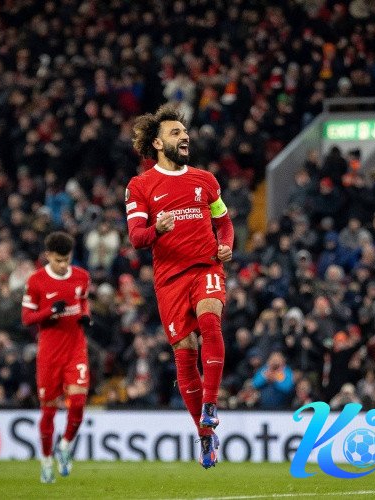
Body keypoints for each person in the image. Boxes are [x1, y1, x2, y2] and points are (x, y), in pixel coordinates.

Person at [126, 103, 234, 468]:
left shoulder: (205, 180)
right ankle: (204, 436)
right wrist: (156, 229)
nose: (184, 136)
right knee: (185, 353)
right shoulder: (140, 186)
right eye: (175, 133)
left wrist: (226, 245)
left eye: (185, 132)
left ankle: (210, 404)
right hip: (170, 279)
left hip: (206, 267)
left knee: (210, 321)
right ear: (157, 143)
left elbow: (225, 223)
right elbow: (136, 237)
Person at [21, 232, 91, 483]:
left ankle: (65, 445)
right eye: (58, 260)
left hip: (75, 349)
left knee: (78, 402)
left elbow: (83, 302)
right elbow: (27, 318)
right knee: (49, 411)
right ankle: (46, 461)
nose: (63, 265)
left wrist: (85, 315)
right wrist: (49, 311)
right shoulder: (36, 281)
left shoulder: (82, 276)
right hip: (49, 354)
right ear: (48, 256)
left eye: (66, 260)